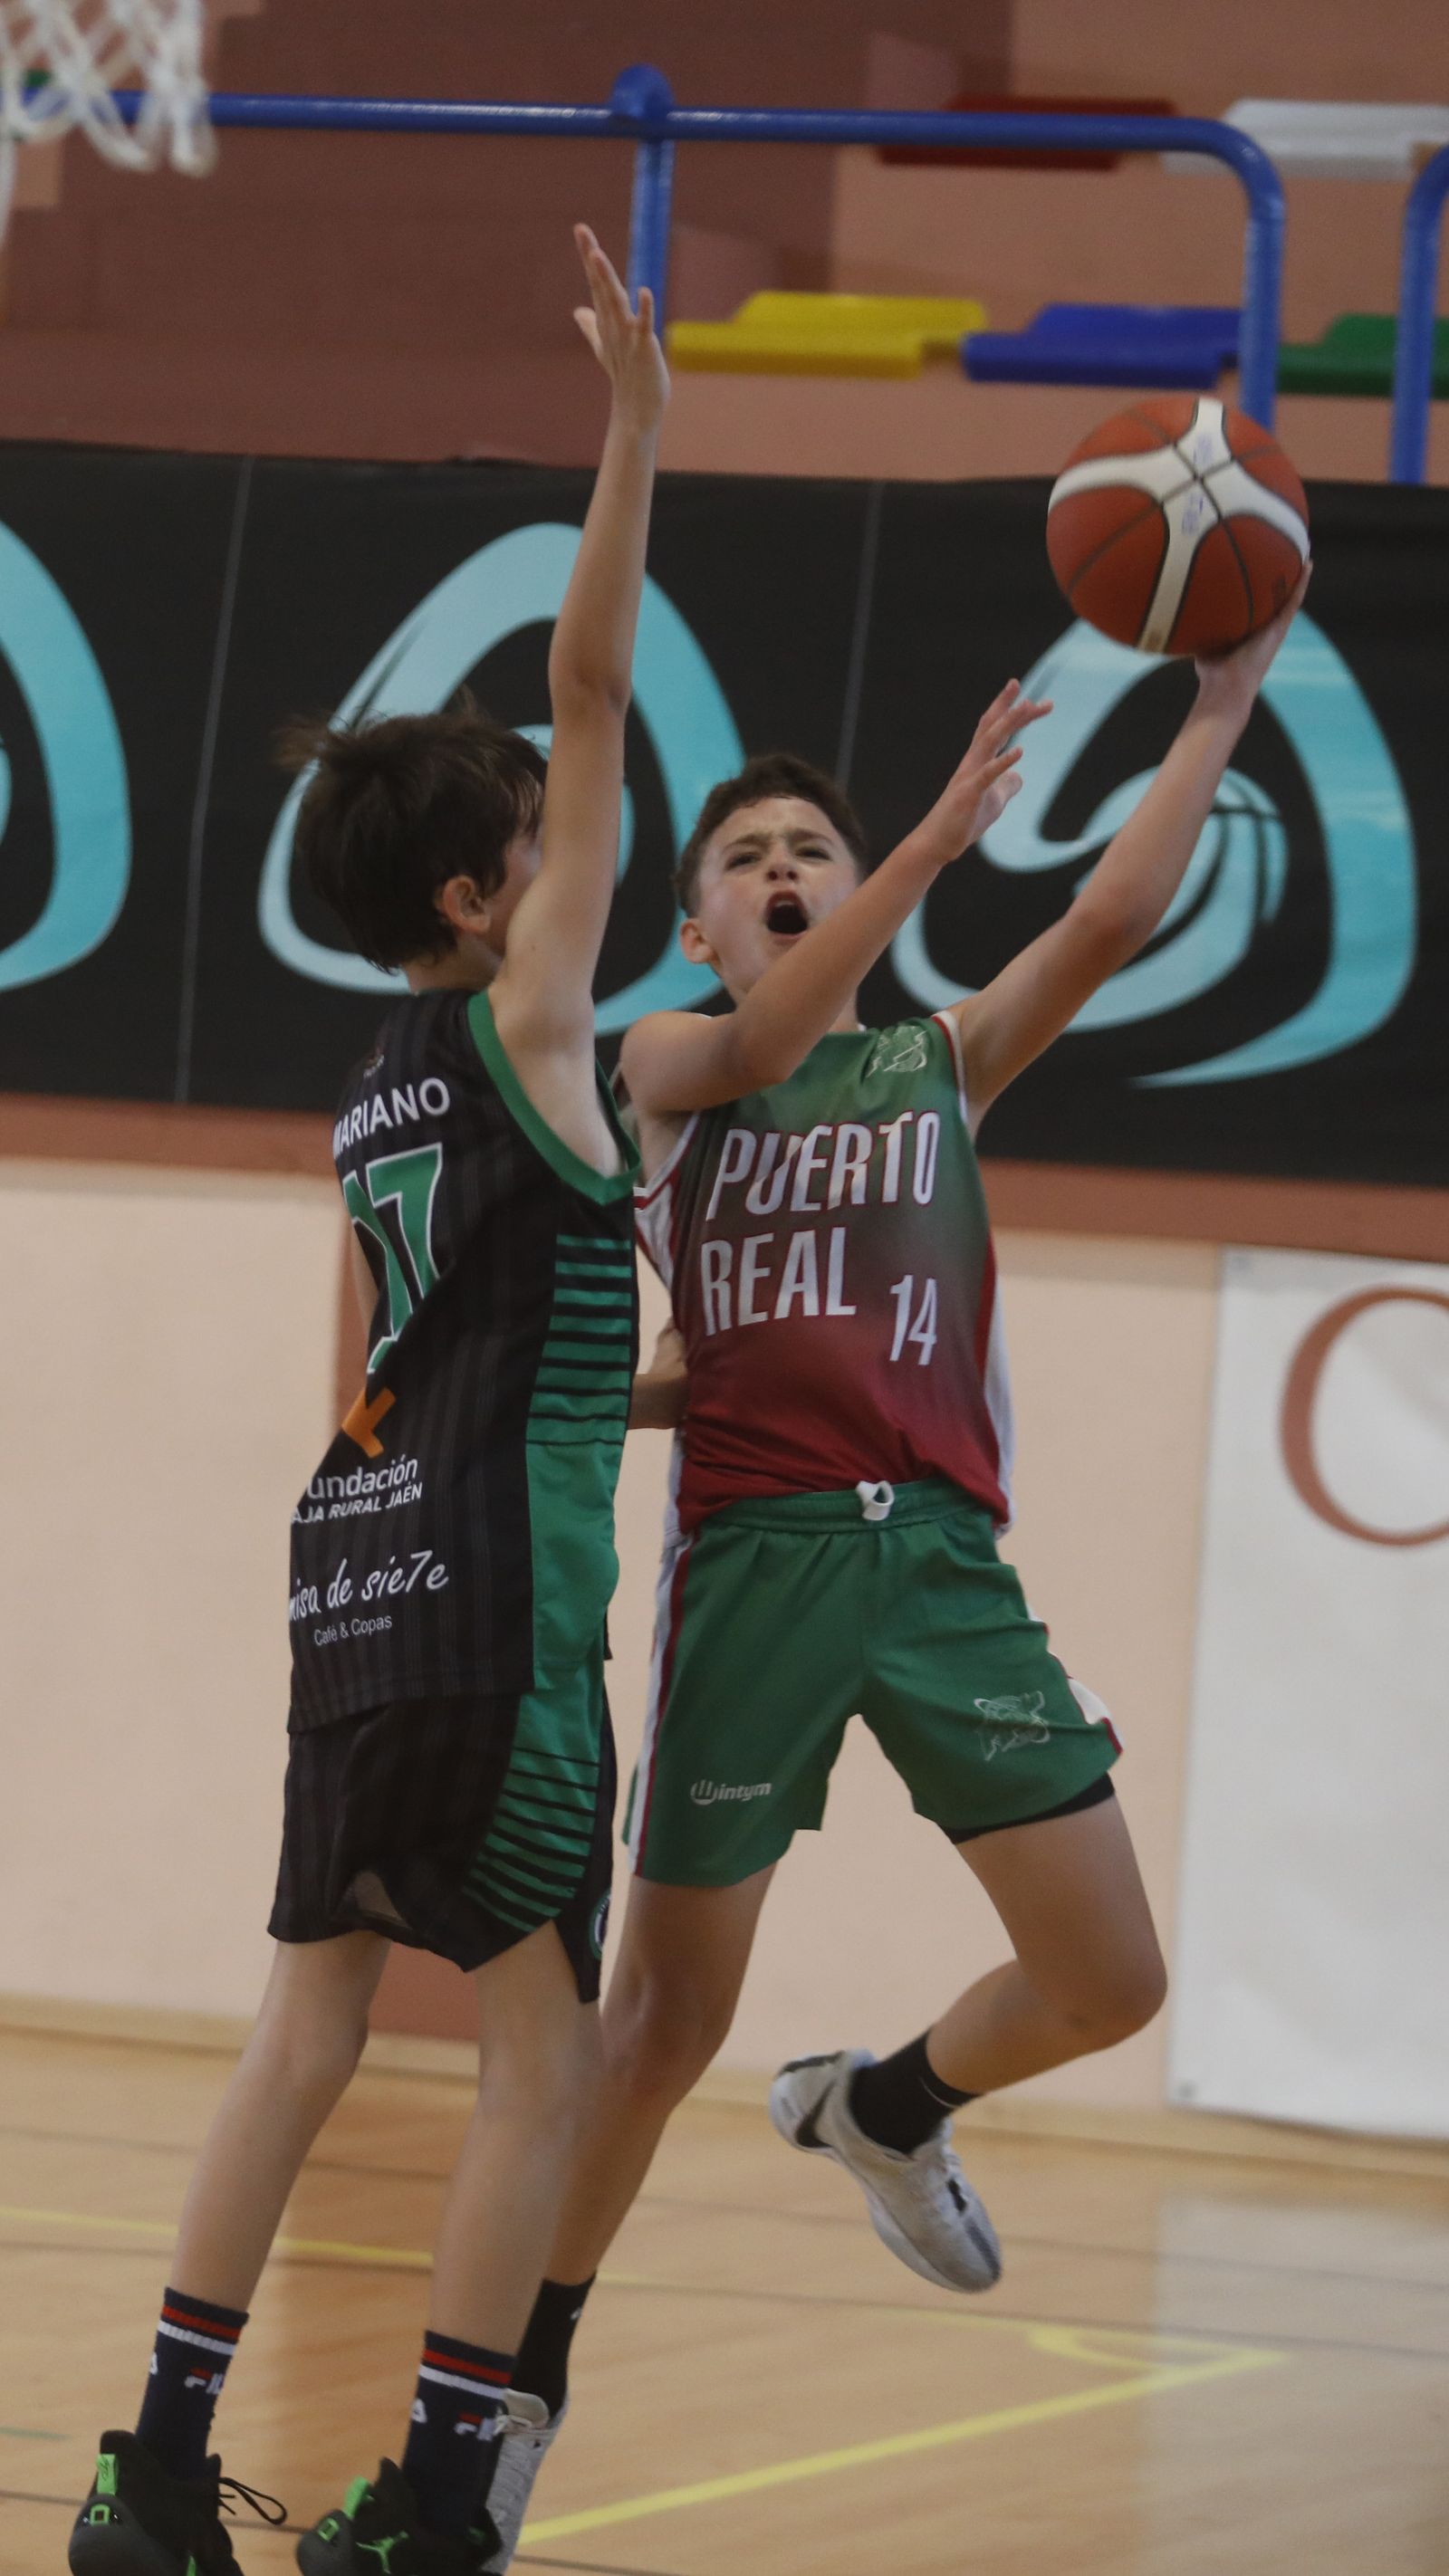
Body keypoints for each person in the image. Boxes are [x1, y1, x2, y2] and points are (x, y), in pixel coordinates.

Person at [483, 575, 1310, 2565]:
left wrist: (1215, 705)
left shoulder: (934, 1065)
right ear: (696, 922)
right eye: (746, 859)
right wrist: (644, 1401)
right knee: (657, 2026)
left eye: (808, 850)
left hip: (936, 1559)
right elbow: (708, 1300)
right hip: (756, 1568)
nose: (779, 871)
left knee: (1111, 1977)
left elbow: (1104, 920)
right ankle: (513, 2378)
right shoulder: (669, 1065)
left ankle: (892, 2102)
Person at [67, 225, 669, 2576]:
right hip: (494, 1603)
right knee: (544, 2058)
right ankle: (431, 2503)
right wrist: (634, 437)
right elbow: (600, 691)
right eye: (536, 849)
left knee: (300, 2028)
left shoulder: (374, 1085)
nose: (571, 860)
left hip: (347, 1577)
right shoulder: (527, 1025)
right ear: (473, 894)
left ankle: (146, 2464)